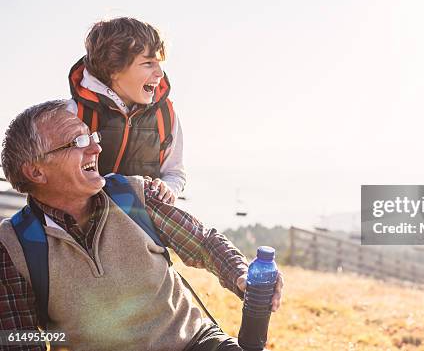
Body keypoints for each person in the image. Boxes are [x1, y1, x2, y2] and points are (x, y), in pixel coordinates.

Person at [0, 100, 283, 351]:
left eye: (92, 137)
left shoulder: (133, 195)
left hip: (193, 343)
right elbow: (21, 341)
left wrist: (242, 275)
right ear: (36, 171)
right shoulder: (13, 245)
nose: (97, 148)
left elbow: (204, 242)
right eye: (78, 142)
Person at [68, 17, 183, 204]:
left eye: (160, 63)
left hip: (141, 223)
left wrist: (168, 188)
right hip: (86, 221)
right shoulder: (72, 114)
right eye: (148, 63)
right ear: (113, 69)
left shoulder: (165, 116)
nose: (160, 73)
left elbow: (174, 172)